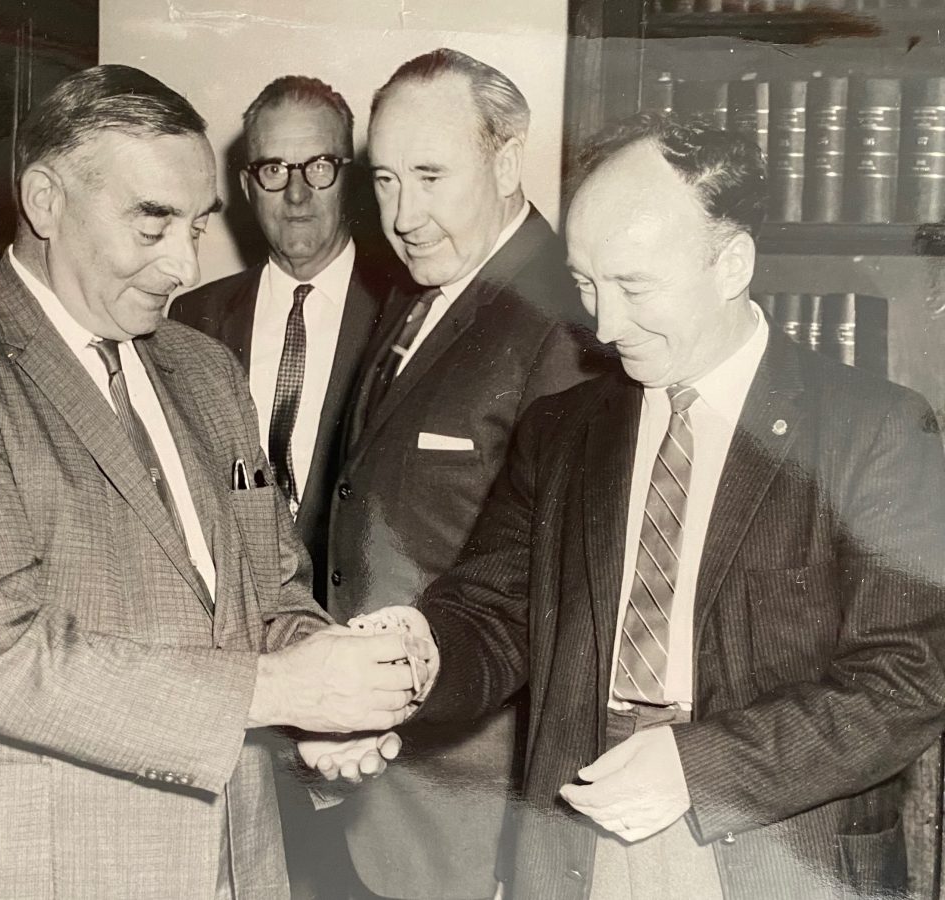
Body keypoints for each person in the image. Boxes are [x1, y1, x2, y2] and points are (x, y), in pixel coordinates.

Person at [0, 64, 428, 900]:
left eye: (197, 226)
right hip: (36, 870)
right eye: (152, 223)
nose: (183, 264)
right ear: (45, 201)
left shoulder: (206, 371)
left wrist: (331, 701)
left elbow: (273, 592)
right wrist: (280, 690)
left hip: (236, 863)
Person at [396, 114, 945, 899]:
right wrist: (404, 662)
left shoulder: (874, 429)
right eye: (586, 284)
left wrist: (698, 768)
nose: (606, 327)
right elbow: (491, 612)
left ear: (731, 264)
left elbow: (911, 680)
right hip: (575, 841)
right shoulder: (562, 429)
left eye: (634, 286)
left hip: (778, 854)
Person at [325, 48, 597, 900]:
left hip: (472, 805)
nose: (402, 215)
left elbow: (550, 591)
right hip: (375, 774)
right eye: (386, 180)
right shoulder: (421, 291)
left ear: (508, 159)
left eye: (431, 176)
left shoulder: (565, 319)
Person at [170, 75, 390, 605]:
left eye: (319, 166)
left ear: (350, 180)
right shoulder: (192, 316)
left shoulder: (402, 313)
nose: (297, 194)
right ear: (247, 186)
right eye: (274, 169)